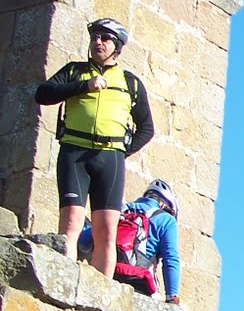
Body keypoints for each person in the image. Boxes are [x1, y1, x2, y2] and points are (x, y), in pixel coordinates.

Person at [35, 18, 156, 279]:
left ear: (118, 46)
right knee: (71, 222)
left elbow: (147, 128)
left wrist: (121, 151)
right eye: (94, 37)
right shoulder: (75, 71)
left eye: (105, 38)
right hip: (74, 153)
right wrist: (83, 87)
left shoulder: (130, 83)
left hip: (109, 159)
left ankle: (102, 290)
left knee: (107, 230)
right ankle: (63, 280)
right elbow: (43, 94)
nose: (97, 42)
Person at [80, 179, 181, 303]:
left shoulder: (119, 209)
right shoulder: (166, 220)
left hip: (106, 272)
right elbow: (171, 258)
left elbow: (83, 243)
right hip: (138, 283)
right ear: (163, 205)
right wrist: (172, 296)